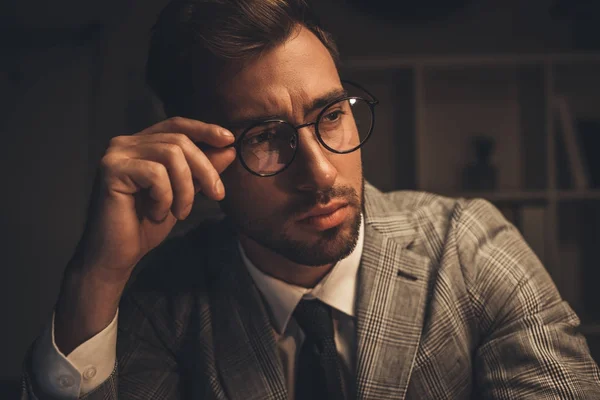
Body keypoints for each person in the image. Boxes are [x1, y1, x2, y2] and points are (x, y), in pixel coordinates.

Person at [20, 0, 600, 399]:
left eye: (331, 115)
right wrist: (94, 278)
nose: (321, 173)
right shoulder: (163, 301)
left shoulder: (470, 247)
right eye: (266, 138)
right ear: (195, 152)